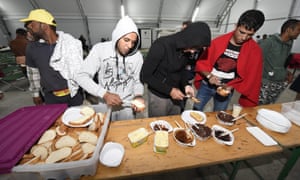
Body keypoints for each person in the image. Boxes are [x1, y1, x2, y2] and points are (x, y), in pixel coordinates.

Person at [193, 9, 265, 112]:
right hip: (206, 86)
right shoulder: (217, 42)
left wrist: (231, 86)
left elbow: (251, 77)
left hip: (227, 89)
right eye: (242, 32)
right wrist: (209, 76)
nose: (244, 37)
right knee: (196, 110)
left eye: (249, 35)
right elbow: (201, 64)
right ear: (236, 26)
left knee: (220, 114)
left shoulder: (255, 51)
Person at [75, 16, 145, 121]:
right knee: (104, 133)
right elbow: (81, 76)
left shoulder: (137, 56)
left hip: (127, 107)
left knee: (124, 135)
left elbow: (138, 80)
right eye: (126, 40)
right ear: (117, 36)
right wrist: (104, 94)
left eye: (133, 42)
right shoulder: (100, 49)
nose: (130, 46)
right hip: (105, 105)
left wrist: (138, 95)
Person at [140, 21, 211, 117]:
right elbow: (145, 75)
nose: (193, 51)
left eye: (197, 49)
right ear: (189, 38)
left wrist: (186, 85)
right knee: (159, 125)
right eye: (194, 47)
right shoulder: (161, 45)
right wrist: (169, 90)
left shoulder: (187, 49)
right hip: (159, 96)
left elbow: (182, 71)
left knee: (174, 122)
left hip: (177, 94)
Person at [20, 9, 84, 106]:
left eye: (32, 24)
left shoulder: (70, 44)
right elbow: (33, 73)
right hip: (51, 97)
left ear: (45, 25)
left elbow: (80, 70)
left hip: (74, 94)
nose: (28, 27)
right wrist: (35, 94)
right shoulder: (32, 48)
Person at [259, 19, 300, 105]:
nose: (299, 33)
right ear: (289, 30)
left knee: (268, 107)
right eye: (298, 30)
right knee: (258, 107)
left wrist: (286, 73)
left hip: (278, 83)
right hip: (265, 83)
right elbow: (255, 62)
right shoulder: (269, 42)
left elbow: (279, 63)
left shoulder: (289, 43)